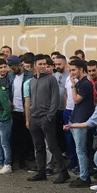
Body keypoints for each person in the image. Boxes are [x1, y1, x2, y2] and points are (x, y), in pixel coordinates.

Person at [26, 55, 69, 183]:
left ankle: (64, 172)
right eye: (40, 64)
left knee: (52, 145)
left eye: (45, 64)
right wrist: (29, 117)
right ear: (35, 65)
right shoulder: (32, 81)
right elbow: (29, 100)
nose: (43, 66)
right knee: (38, 146)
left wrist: (50, 116)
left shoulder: (51, 79)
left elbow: (55, 99)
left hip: (46, 117)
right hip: (34, 117)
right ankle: (41, 172)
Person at [68, 59, 94, 186]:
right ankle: (83, 174)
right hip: (76, 118)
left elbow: (76, 100)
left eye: (74, 70)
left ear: (81, 69)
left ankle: (84, 177)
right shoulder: (80, 83)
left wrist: (73, 85)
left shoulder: (85, 84)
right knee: (79, 150)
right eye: (70, 70)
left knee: (81, 150)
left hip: (81, 120)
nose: (72, 73)